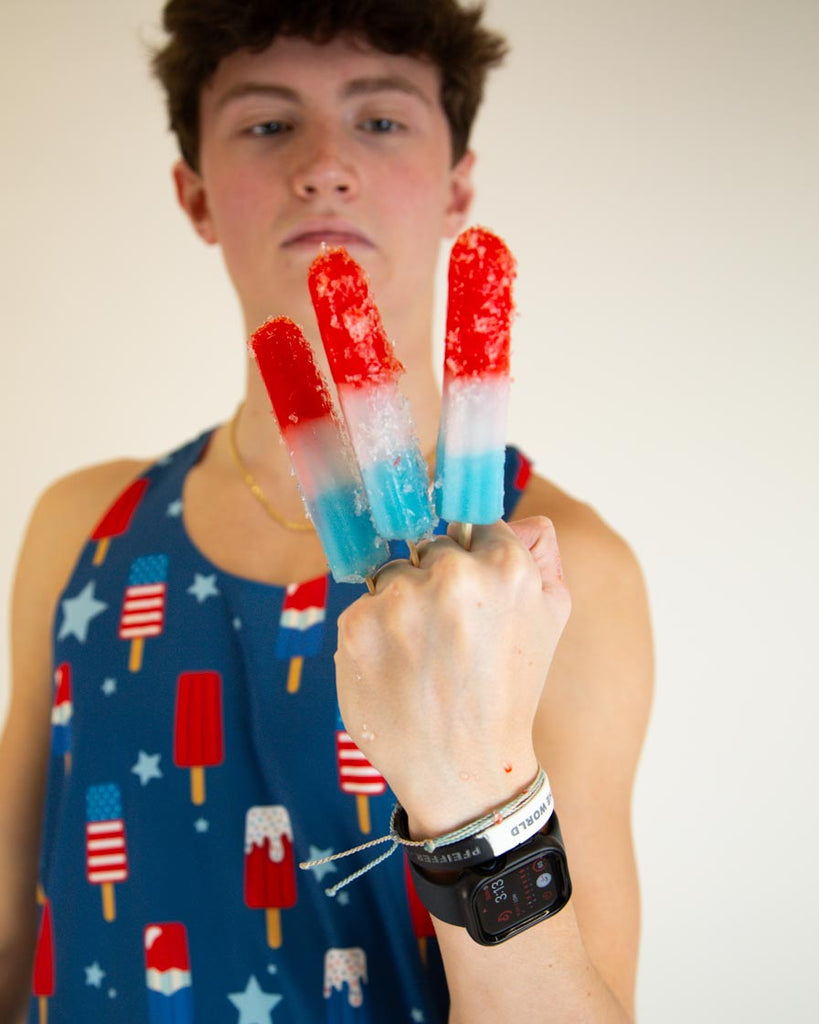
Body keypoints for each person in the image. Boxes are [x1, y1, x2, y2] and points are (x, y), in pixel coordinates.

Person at [0, 1, 653, 1021]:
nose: (324, 166)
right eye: (268, 123)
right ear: (195, 194)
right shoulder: (82, 526)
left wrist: (473, 786)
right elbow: (15, 922)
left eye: (380, 120)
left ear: (457, 184)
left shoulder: (557, 571)